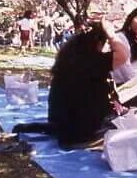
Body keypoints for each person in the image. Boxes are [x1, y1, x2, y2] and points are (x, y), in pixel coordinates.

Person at [46, 20, 114, 149]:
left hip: (60, 125)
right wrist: (112, 34)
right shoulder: (97, 61)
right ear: (99, 43)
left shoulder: (66, 59)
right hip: (81, 132)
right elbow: (123, 54)